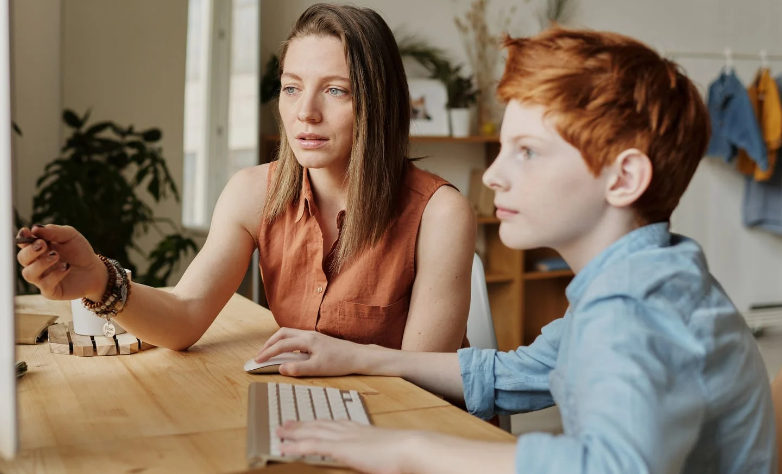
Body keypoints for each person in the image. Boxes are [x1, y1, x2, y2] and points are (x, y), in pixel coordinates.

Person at [253, 28, 778, 474]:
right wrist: (361, 357)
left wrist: (408, 449)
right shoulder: (645, 277)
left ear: (624, 178)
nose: (496, 175)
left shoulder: (634, 309)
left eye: (527, 152)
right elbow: (512, 374)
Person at [14, 4, 476, 352]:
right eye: (291, 88)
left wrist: (337, 360)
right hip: (315, 412)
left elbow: (424, 382)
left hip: (410, 428)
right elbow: (184, 316)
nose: (305, 113)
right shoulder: (253, 192)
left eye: (335, 90)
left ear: (379, 103)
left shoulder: (440, 213)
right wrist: (98, 279)